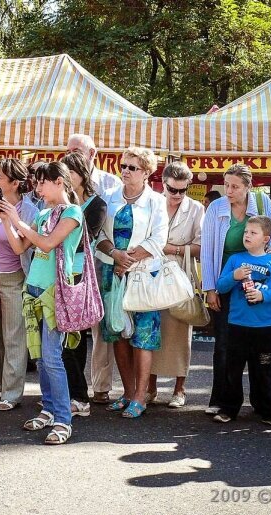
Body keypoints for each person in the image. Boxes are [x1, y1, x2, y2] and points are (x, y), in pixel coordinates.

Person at [0, 161, 84, 444]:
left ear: (59, 182)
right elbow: (19, 247)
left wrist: (17, 220)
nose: (38, 188)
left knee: (52, 357)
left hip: (55, 292)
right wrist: (6, 221)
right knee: (41, 358)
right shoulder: (45, 212)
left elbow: (47, 244)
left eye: (42, 182)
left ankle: (63, 419)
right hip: (33, 289)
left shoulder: (73, 212)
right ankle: (48, 409)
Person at [200, 163, 271, 415]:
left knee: (260, 346)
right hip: (226, 280)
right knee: (224, 343)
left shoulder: (263, 202)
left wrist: (270, 256)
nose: (229, 190)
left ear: (248, 187)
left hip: (257, 281)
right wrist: (210, 287)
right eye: (226, 185)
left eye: (235, 186)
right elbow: (206, 248)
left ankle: (262, 402)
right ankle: (221, 400)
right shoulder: (216, 208)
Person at [94, 147, 168, 419]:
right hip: (113, 272)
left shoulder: (156, 201)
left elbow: (159, 238)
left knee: (143, 335)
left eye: (132, 167)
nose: (125, 171)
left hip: (142, 274)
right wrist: (115, 255)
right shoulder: (109, 197)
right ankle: (126, 392)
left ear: (147, 172)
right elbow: (98, 233)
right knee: (116, 332)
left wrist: (130, 259)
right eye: (123, 166)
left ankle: (141, 396)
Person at [214, 216, 271, 428]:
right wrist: (234, 276)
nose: (247, 235)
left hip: (264, 327)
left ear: (266, 238)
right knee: (232, 369)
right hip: (237, 325)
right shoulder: (235, 260)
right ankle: (228, 408)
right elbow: (221, 286)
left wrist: (263, 296)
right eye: (246, 231)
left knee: (264, 370)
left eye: (253, 233)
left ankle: (269, 410)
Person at [0, 158, 39, 410]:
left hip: (13, 277)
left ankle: (11, 393)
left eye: (0, 177)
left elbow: (21, 246)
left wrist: (7, 220)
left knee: (14, 336)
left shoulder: (28, 211)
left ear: (15, 182)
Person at [66, 134, 121, 404]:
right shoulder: (61, 187)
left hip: (103, 265)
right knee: (72, 329)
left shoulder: (111, 184)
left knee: (101, 330)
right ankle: (73, 388)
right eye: (67, 151)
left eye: (76, 151)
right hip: (71, 269)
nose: (70, 155)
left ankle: (100, 387)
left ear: (92, 154)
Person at [147, 161, 204, 408]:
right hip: (151, 276)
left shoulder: (196, 209)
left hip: (180, 277)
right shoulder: (151, 203)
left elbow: (201, 247)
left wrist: (174, 249)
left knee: (180, 332)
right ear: (164, 184)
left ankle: (180, 389)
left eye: (183, 190)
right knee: (150, 330)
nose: (178, 195)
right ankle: (149, 388)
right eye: (173, 190)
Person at [61, 152, 107, 416]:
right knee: (59, 340)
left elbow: (82, 238)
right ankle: (63, 392)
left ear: (81, 174)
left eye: (70, 173)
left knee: (75, 338)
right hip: (57, 273)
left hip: (79, 276)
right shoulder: (60, 203)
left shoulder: (96, 204)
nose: (66, 179)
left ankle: (79, 396)